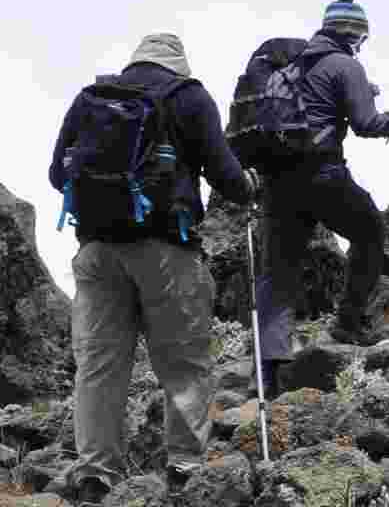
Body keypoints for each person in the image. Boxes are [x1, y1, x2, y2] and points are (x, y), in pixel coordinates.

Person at [48, 33, 254, 499]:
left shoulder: (93, 97)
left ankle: (97, 475)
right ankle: (183, 467)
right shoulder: (190, 96)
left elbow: (57, 174)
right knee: (183, 363)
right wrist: (249, 185)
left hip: (97, 252)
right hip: (166, 249)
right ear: (179, 64)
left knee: (99, 365)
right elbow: (226, 175)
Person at [255, 0, 389, 359]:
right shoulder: (345, 65)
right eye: (361, 37)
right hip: (322, 174)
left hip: (278, 181)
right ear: (353, 34)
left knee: (277, 273)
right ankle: (347, 322)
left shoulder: (293, 65)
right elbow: (367, 123)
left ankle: (271, 368)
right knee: (370, 231)